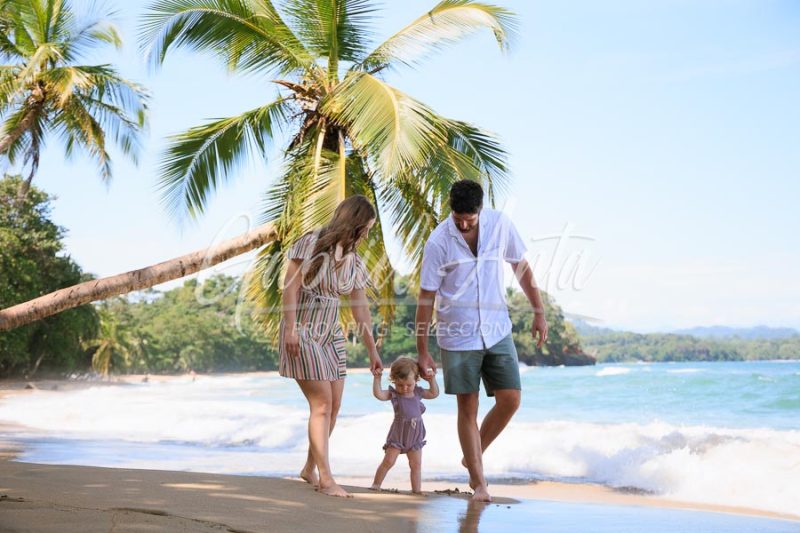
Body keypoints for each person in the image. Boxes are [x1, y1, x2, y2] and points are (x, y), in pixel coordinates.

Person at [415, 180, 548, 502]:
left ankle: (472, 455)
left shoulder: (501, 224)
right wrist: (422, 351)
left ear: (480, 210)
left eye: (469, 220)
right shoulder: (438, 242)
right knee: (468, 407)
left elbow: (521, 267)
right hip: (458, 335)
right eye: (457, 218)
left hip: (497, 327)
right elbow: (426, 296)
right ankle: (479, 482)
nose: (462, 225)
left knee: (510, 399)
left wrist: (538, 311)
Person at [279, 195, 383, 498]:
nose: (366, 234)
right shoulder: (309, 243)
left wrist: (372, 351)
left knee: (334, 406)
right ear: (353, 222)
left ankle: (310, 468)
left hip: (331, 334)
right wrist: (291, 329)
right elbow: (291, 286)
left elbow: (360, 307)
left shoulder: (354, 260)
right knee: (322, 404)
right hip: (304, 329)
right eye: (365, 228)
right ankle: (326, 479)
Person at [370, 356, 439, 494]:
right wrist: (377, 379)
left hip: (415, 436)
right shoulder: (394, 394)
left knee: (416, 465)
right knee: (388, 461)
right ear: (394, 381)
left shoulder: (418, 392)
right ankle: (376, 484)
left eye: (409, 384)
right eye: (400, 385)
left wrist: (432, 380)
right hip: (398, 435)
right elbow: (379, 395)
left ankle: (416, 490)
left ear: (416, 380)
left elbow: (434, 393)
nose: (405, 388)